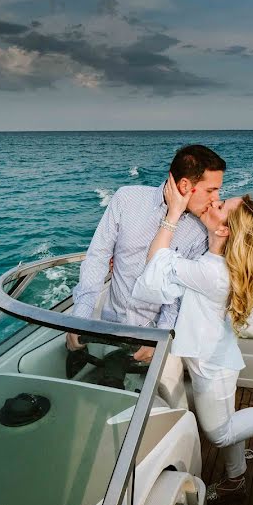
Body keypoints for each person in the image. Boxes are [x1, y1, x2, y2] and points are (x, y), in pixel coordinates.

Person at [132, 176, 253, 501]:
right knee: (229, 421)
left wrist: (173, 212)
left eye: (221, 206)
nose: (214, 201)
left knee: (219, 433)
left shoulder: (212, 273)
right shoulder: (219, 261)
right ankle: (236, 477)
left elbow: (155, 264)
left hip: (212, 366)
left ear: (223, 231)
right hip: (216, 356)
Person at [67, 145, 226, 363]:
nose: (216, 199)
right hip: (109, 324)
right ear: (185, 185)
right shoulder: (126, 199)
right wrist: (80, 318)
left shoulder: (200, 231)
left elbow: (177, 294)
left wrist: (159, 338)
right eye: (211, 190)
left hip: (151, 337)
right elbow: (98, 256)